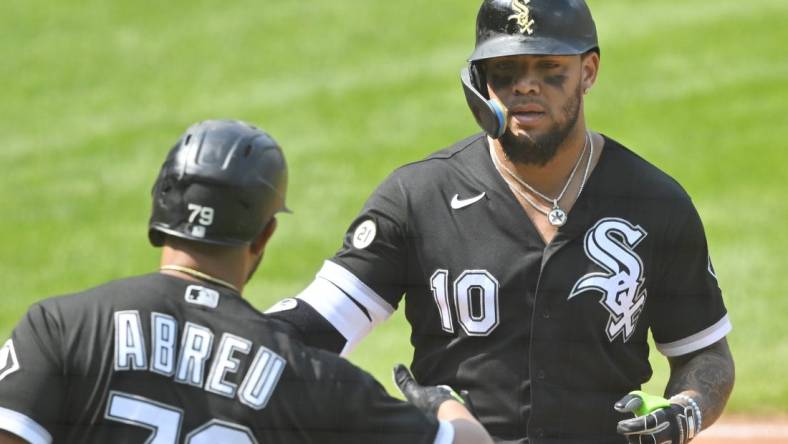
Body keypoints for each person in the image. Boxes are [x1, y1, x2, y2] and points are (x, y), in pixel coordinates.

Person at [265, 1, 735, 443]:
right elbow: (320, 322)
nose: (526, 86)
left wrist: (687, 409)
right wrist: (224, 326)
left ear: (587, 71)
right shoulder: (420, 197)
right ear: (479, 80)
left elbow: (704, 352)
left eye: (550, 69)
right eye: (505, 70)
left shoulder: (654, 202)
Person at [0, 120, 492, 444]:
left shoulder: (60, 328)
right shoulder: (307, 375)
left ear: (159, 211)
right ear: (265, 234)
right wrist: (446, 406)